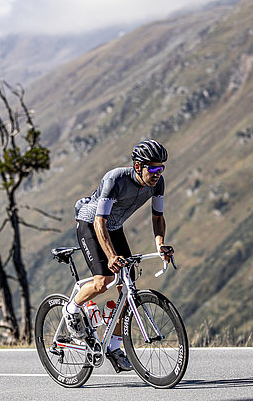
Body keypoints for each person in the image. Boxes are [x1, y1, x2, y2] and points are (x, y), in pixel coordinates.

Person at [65, 139, 175, 372]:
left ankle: (114, 347)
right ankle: (72, 309)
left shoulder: (158, 184)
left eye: (160, 168)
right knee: (103, 281)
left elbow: (157, 217)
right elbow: (99, 222)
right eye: (152, 168)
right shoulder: (115, 179)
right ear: (137, 166)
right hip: (90, 223)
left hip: (114, 227)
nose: (157, 173)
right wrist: (111, 256)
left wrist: (160, 245)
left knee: (127, 287)